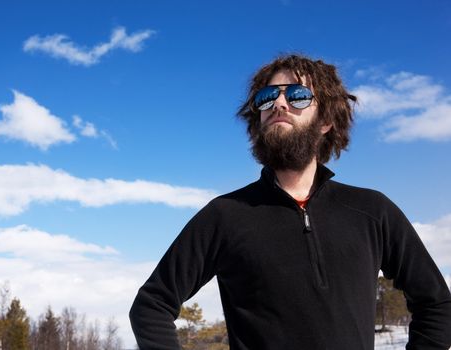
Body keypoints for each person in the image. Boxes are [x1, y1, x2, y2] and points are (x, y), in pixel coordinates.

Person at [129, 54, 451, 349]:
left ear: (326, 121)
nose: (279, 104)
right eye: (268, 96)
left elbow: (437, 304)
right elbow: (152, 305)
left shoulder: (372, 211)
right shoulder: (225, 216)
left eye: (297, 94)